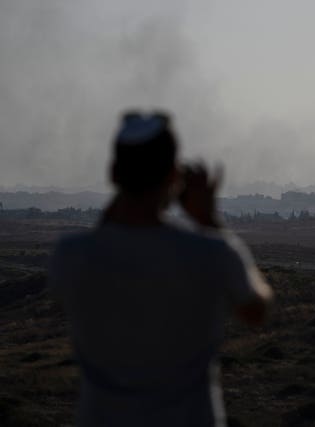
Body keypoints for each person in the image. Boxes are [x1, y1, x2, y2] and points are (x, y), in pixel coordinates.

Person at [48, 111, 273, 427]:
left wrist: (122, 197)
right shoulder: (211, 253)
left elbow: (85, 260)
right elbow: (256, 311)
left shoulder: (71, 255)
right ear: (173, 177)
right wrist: (209, 221)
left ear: (113, 174)